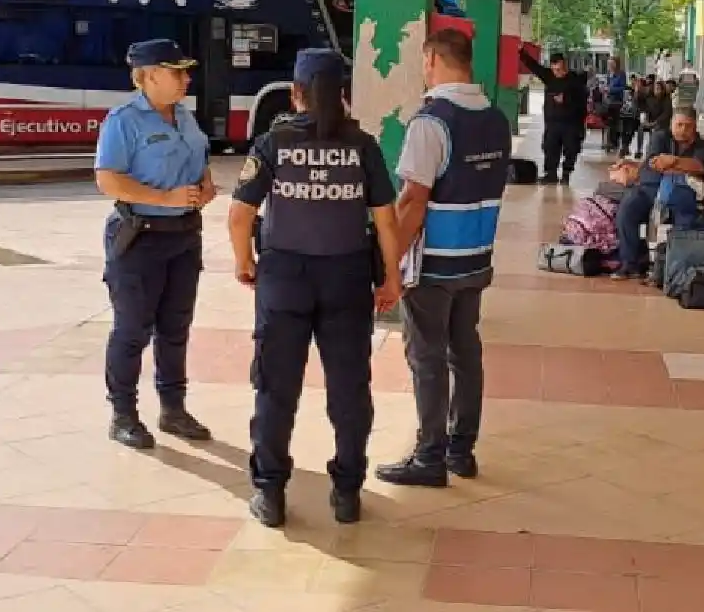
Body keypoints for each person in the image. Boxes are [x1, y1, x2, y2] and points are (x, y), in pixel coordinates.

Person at [227, 48, 404, 527]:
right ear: (343, 93)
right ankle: (347, 492)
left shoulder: (273, 142)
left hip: (284, 280)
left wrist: (245, 263)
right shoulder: (362, 145)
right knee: (349, 389)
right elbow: (386, 221)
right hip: (347, 279)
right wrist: (392, 277)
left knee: (274, 388)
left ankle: (270, 494)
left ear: (295, 93)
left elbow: (240, 215)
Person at [375, 29, 512, 488]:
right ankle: (461, 450)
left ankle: (429, 456)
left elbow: (413, 199)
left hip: (434, 263)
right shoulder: (495, 119)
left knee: (427, 357)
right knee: (465, 351)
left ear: (431, 58)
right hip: (476, 259)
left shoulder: (431, 121)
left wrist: (389, 260)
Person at [94, 39, 217, 450]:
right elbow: (108, 179)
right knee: (132, 330)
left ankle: (173, 408)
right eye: (176, 72)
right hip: (141, 238)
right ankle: (123, 414)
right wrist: (165, 198)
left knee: (175, 328)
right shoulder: (124, 120)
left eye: (185, 71)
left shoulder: (185, 117)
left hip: (183, 236)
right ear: (148, 76)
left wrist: (205, 185)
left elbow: (200, 162)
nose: (185, 78)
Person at [612, 107, 704, 280]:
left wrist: (673, 161)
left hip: (681, 192)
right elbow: (655, 163)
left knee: (685, 218)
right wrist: (680, 167)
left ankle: (672, 268)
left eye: (688, 126)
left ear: (695, 127)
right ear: (672, 124)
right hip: (649, 188)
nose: (683, 130)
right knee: (626, 210)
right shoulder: (660, 137)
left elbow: (699, 167)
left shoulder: (701, 145)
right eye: (679, 125)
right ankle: (631, 263)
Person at [519, 47, 587, 184]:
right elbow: (534, 67)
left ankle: (566, 174)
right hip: (552, 122)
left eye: (561, 69)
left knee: (571, 149)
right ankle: (551, 174)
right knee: (550, 147)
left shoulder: (576, 80)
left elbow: (583, 100)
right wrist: (521, 52)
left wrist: (566, 99)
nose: (558, 73)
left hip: (571, 123)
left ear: (565, 65)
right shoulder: (549, 77)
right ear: (551, 68)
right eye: (555, 70)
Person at [604, 57, 626, 152]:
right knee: (609, 122)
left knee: (615, 122)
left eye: (612, 63)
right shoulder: (609, 74)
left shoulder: (621, 74)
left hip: (617, 101)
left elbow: (622, 87)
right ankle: (610, 141)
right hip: (609, 101)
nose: (610, 66)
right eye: (609, 64)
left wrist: (611, 90)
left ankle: (614, 142)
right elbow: (608, 85)